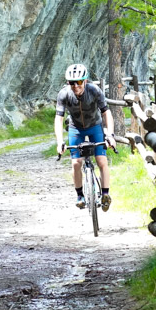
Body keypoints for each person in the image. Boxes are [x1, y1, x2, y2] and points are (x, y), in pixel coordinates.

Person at [54, 63, 116, 211]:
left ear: (85, 81)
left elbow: (106, 112)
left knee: (101, 160)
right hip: (76, 128)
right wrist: (60, 141)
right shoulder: (64, 94)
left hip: (95, 126)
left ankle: (106, 194)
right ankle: (80, 195)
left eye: (79, 82)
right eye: (72, 83)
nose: (76, 86)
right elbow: (58, 119)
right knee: (76, 163)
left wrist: (110, 135)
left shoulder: (94, 90)